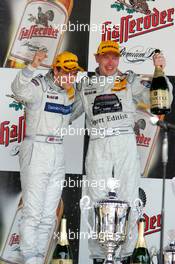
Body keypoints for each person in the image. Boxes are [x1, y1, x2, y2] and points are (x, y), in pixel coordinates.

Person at [70, 40, 173, 264]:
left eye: (114, 57)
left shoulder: (129, 80)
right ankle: (99, 256)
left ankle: (128, 255)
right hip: (98, 143)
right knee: (96, 200)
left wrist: (160, 72)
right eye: (105, 57)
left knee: (129, 198)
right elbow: (67, 113)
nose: (110, 61)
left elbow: (158, 102)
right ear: (97, 58)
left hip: (125, 141)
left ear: (119, 59)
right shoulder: (85, 84)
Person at [11, 50, 82, 264]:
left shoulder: (70, 93)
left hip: (58, 150)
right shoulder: (39, 85)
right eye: (67, 72)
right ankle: (29, 257)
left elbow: (73, 113)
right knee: (33, 210)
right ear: (56, 69)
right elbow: (19, 90)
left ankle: (38, 256)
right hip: (36, 147)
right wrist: (32, 66)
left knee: (49, 213)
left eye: (74, 73)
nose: (70, 77)